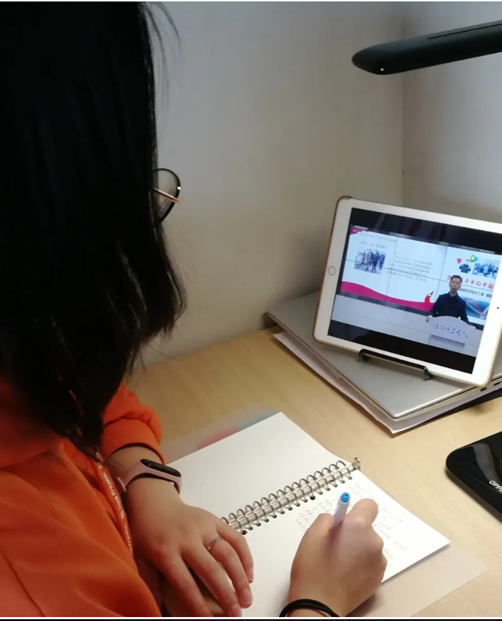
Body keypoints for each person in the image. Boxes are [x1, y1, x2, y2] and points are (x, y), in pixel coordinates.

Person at [0, 4, 385, 618]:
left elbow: (82, 391)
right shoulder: (31, 584)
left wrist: (145, 482)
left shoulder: (23, 360)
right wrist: (322, 599)